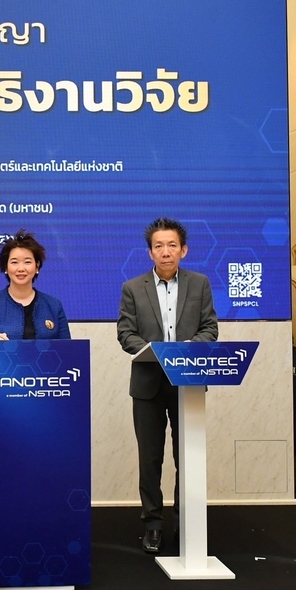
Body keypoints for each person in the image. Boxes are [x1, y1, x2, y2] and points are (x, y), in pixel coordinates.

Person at [116, 217, 218, 554]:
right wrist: (156, 353)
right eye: (158, 246)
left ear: (183, 250)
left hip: (188, 383)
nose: (165, 251)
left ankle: (185, 523)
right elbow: (125, 333)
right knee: (150, 459)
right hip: (148, 384)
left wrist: (187, 349)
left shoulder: (199, 284)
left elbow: (210, 329)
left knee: (186, 457)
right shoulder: (133, 288)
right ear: (150, 252)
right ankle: (153, 525)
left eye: (172, 245)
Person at [0, 229, 70, 354]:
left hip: (48, 366)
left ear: (37, 266)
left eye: (27, 262)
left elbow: (68, 350)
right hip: (3, 367)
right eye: (14, 262)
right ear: (6, 267)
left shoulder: (54, 305)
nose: (21, 268)